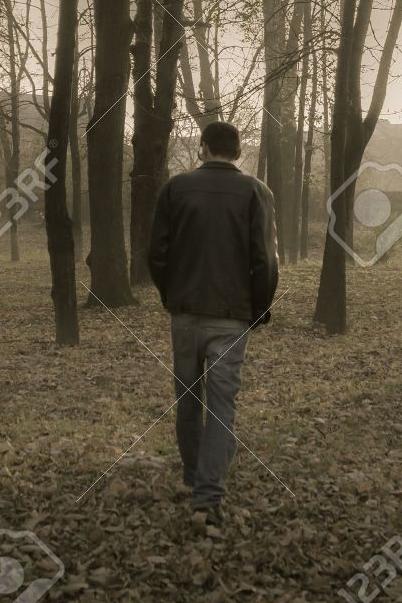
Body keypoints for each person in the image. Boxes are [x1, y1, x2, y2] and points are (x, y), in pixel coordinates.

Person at [147, 120, 279, 526]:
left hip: (185, 314)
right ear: (237, 151)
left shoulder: (175, 189)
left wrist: (173, 297)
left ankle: (193, 476)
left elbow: (157, 254)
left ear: (203, 147)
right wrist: (258, 307)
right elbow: (265, 260)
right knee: (222, 407)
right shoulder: (257, 192)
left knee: (188, 401)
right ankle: (207, 498)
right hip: (232, 316)